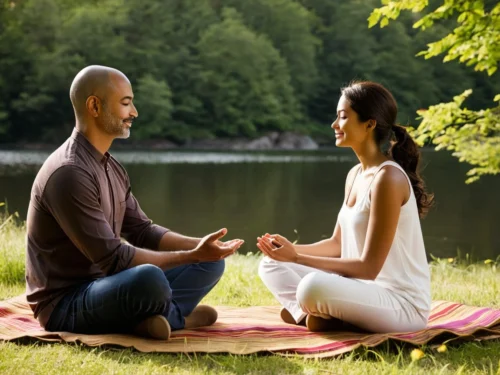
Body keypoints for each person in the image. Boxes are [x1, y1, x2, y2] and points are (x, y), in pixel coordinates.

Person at [25, 65, 244, 340]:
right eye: (126, 103)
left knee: (211, 264)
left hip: (107, 286)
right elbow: (114, 260)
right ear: (94, 106)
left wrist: (201, 248)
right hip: (65, 304)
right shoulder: (69, 172)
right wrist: (191, 255)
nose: (134, 112)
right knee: (148, 279)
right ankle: (178, 319)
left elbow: (142, 231)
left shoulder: (111, 166)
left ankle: (153, 318)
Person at [257, 81, 433, 333]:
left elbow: (369, 268)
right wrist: (286, 251)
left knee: (311, 286)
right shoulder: (355, 175)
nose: (334, 125)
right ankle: (310, 314)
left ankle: (317, 311)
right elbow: (336, 244)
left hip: (401, 305)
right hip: (360, 290)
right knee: (270, 264)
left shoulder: (388, 178)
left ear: (369, 124)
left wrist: (296, 257)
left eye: (342, 117)